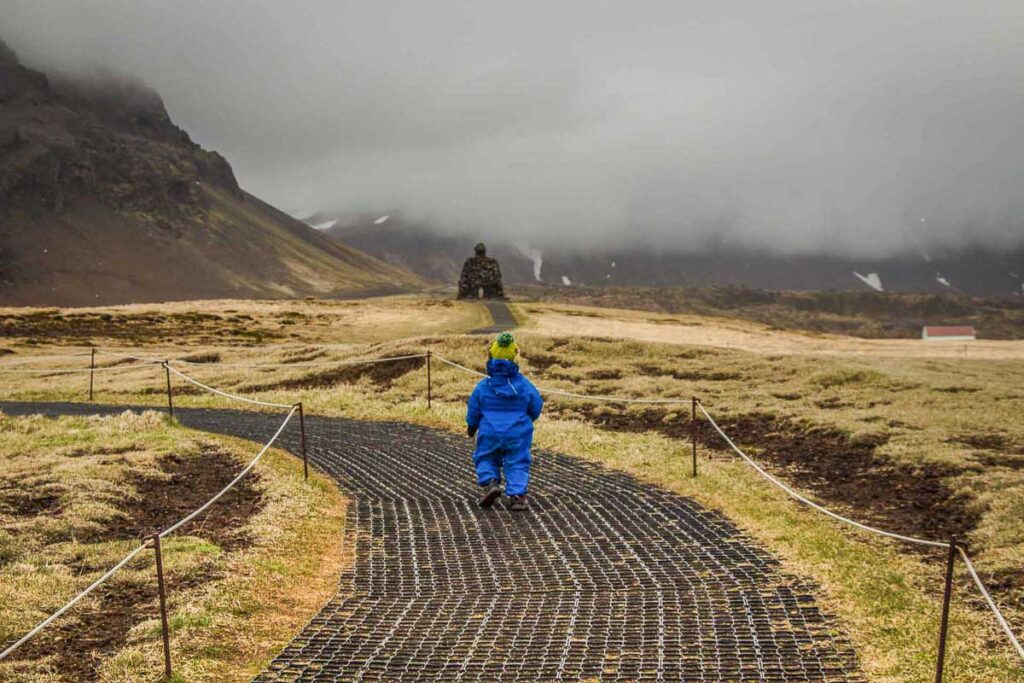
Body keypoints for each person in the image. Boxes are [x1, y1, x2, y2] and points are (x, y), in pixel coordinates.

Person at [466, 332, 543, 511]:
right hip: (518, 433)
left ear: (491, 359)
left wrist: (472, 426)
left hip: (489, 431)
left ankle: (491, 482)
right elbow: (536, 405)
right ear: (515, 360)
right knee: (517, 461)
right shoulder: (524, 385)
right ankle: (517, 496)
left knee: (485, 457)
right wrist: (527, 420)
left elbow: (474, 408)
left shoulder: (484, 386)